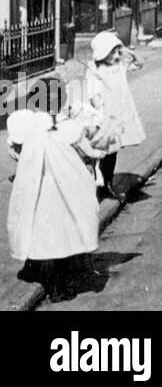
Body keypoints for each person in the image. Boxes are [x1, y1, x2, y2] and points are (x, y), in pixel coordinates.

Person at [6, 109, 101, 303]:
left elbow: (16, 154)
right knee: (59, 239)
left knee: (40, 238)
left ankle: (46, 279)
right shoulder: (58, 137)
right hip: (59, 192)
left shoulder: (29, 141)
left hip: (38, 194)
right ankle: (59, 285)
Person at [83, 31, 145, 201]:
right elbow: (94, 96)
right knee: (100, 152)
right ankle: (98, 186)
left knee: (113, 151)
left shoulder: (119, 67)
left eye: (118, 51)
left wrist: (127, 50)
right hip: (105, 116)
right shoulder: (94, 71)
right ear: (103, 53)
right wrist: (101, 114)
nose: (117, 55)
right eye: (113, 52)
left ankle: (107, 183)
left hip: (119, 115)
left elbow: (140, 63)